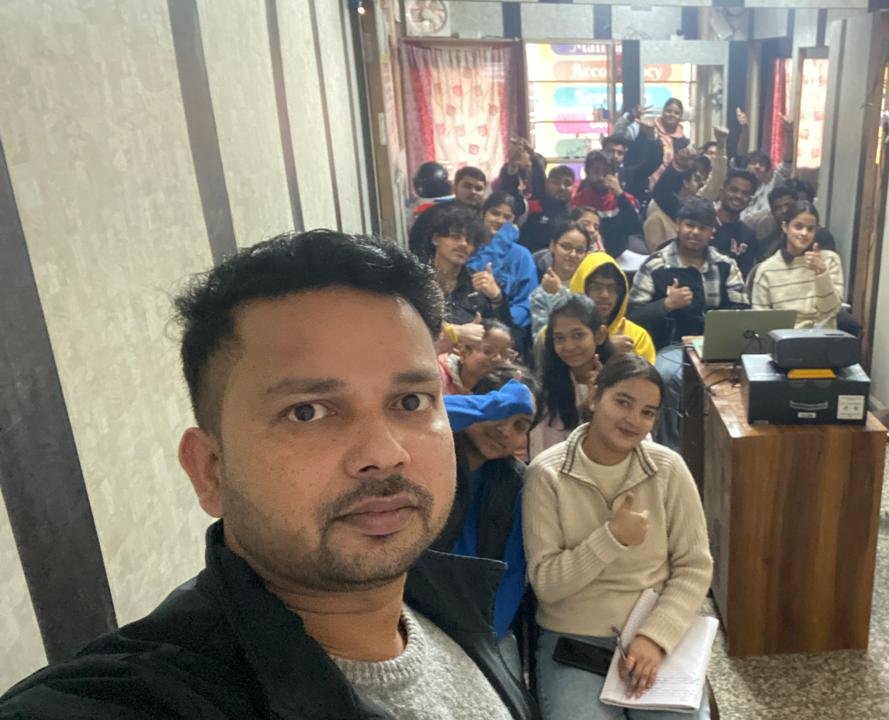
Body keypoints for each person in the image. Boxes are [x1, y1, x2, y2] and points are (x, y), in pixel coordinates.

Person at [0, 230, 536, 718]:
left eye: (412, 400)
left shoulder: (449, 606)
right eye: (308, 411)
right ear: (211, 470)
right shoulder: (141, 697)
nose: (384, 452)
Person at [523, 353, 713, 719]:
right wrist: (612, 537)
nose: (633, 420)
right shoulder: (546, 474)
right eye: (622, 401)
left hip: (653, 630)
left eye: (648, 412)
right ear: (595, 396)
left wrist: (655, 637)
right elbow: (546, 584)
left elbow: (694, 568)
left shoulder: (668, 468)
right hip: (574, 640)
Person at [434, 366, 539, 676]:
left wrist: (484, 638)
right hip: (413, 609)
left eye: (519, 425)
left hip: (480, 622)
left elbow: (512, 574)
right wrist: (482, 409)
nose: (504, 430)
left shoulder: (515, 482)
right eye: (498, 413)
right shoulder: (431, 457)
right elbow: (409, 417)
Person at [628, 197, 748, 447]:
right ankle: (671, 449)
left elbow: (742, 311)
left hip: (718, 348)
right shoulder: (655, 264)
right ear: (678, 225)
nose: (695, 232)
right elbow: (633, 315)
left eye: (703, 227)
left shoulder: (726, 265)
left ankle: (727, 447)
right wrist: (665, 305)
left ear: (711, 232)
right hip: (671, 347)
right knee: (666, 376)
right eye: (690, 225)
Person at [528, 295, 615, 458]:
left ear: (600, 335)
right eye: (560, 338)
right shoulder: (545, 391)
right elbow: (540, 452)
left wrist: (601, 399)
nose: (568, 346)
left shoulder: (620, 382)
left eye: (578, 335)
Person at [408, 203, 513, 327]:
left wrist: (497, 298)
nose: (463, 244)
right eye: (455, 237)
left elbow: (505, 336)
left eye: (469, 240)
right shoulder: (416, 280)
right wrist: (455, 333)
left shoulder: (477, 285)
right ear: (435, 239)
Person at [750, 202, 843, 329]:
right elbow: (759, 320)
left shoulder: (830, 260)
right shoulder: (767, 269)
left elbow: (831, 310)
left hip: (823, 339)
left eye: (810, 229)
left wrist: (821, 273)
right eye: (798, 227)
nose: (804, 233)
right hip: (784, 340)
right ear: (785, 227)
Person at [468, 191, 539, 356]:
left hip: (508, 332)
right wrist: (500, 242)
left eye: (507, 217)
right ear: (483, 214)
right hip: (471, 325)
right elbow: (475, 276)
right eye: (495, 213)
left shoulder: (522, 255)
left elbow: (527, 303)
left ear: (514, 221)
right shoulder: (470, 246)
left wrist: (501, 326)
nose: (500, 220)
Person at [645, 128, 728, 253]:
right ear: (685, 182)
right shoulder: (657, 214)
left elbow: (716, 181)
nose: (701, 183)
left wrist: (721, 145)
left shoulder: (697, 202)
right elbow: (656, 255)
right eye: (696, 179)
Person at [571, 251, 657, 364]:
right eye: (596, 287)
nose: (605, 295)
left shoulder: (636, 336)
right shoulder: (560, 332)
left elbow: (647, 380)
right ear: (581, 288)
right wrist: (606, 349)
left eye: (612, 288)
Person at [571, 150, 643, 257]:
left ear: (614, 174)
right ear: (587, 173)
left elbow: (636, 228)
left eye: (606, 173)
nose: (600, 177)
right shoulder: (578, 200)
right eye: (596, 172)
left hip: (620, 256)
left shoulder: (625, 199)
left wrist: (619, 194)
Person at [530, 219, 592, 338]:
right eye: (566, 247)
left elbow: (592, 324)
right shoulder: (541, 293)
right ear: (552, 246)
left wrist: (560, 292)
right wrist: (559, 293)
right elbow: (541, 342)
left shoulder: (591, 286)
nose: (573, 254)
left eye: (580, 250)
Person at [515, 139, 577, 254]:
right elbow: (539, 176)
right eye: (556, 182)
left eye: (567, 184)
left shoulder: (575, 215)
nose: (562, 187)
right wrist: (532, 156)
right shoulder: (531, 207)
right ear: (547, 184)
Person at [613, 99, 687, 191]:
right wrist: (630, 116)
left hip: (667, 189)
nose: (672, 115)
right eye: (668, 111)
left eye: (676, 113)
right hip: (639, 184)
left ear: (681, 117)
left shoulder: (683, 142)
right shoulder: (646, 127)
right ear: (663, 112)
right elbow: (617, 135)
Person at [439, 318, 515, 395]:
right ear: (463, 352)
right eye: (488, 351)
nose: (498, 358)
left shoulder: (503, 390)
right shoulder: (438, 376)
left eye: (504, 354)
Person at [712, 169, 761, 276]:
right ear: (722, 191)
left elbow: (746, 274)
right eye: (733, 190)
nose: (738, 196)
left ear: (750, 200)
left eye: (745, 193)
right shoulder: (705, 225)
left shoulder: (749, 235)